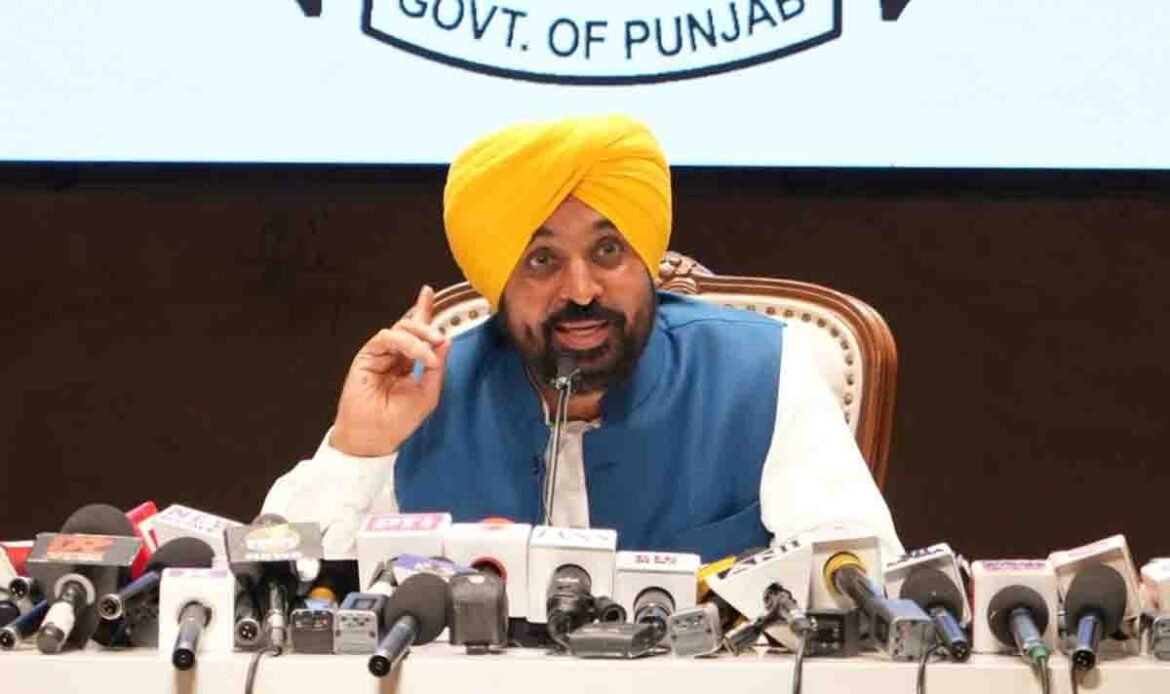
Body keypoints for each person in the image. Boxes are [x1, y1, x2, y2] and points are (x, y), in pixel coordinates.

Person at [262, 114, 904, 562]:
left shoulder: (759, 371)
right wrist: (358, 450)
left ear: (647, 261)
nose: (581, 289)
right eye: (541, 260)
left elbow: (860, 574)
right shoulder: (427, 394)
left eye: (608, 251)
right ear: (497, 283)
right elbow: (276, 585)